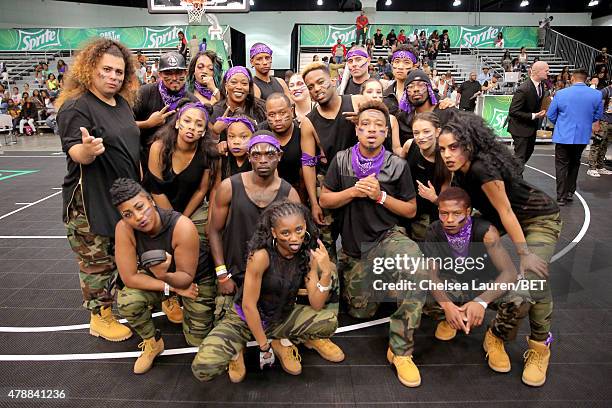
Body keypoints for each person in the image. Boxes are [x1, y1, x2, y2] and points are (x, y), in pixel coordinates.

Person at [438, 111, 561, 387]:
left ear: (469, 145)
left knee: (532, 284)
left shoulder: (482, 168)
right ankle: (460, 307)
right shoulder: (459, 171)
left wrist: (524, 254)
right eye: (443, 148)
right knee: (456, 246)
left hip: (537, 217)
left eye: (453, 147)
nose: (447, 154)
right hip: (500, 217)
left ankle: (527, 342)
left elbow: (506, 211)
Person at [319, 99, 426, 388]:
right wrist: (354, 191)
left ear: (385, 133)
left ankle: (401, 350)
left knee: (415, 267)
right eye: (365, 124)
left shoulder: (397, 165)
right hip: (354, 249)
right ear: (357, 130)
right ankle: (380, 280)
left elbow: (411, 210)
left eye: (379, 126)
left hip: (387, 238)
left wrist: (380, 196)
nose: (371, 130)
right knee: (358, 311)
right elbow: (325, 199)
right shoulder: (341, 160)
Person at [192, 200, 340, 383]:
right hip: (244, 319)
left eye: (299, 230)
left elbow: (317, 304)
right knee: (204, 368)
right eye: (285, 232)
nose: (294, 238)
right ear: (274, 233)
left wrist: (325, 272)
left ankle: (280, 340)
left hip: (280, 317)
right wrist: (264, 346)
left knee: (329, 322)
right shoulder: (260, 256)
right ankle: (238, 349)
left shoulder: (307, 254)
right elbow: (248, 305)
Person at [56, 38, 140, 342]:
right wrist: (89, 151)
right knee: (97, 261)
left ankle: (111, 307)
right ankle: (100, 317)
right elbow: (75, 151)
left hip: (121, 197)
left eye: (119, 72)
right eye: (106, 69)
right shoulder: (76, 107)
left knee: (118, 255)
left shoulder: (122, 104)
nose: (113, 76)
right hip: (88, 201)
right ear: (90, 68)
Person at [421, 187, 530, 375]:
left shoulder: (486, 232)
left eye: (456, 214)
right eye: (444, 213)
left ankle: (495, 336)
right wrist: (447, 306)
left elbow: (510, 273)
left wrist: (481, 302)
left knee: (524, 295)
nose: (449, 220)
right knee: (418, 289)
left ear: (468, 212)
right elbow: (432, 275)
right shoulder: (434, 231)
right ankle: (452, 318)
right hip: (455, 284)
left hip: (484, 284)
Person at [110, 178, 214, 374]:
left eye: (140, 206)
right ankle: (152, 342)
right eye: (128, 214)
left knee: (196, 340)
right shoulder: (124, 229)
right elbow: (129, 277)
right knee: (127, 300)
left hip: (195, 280)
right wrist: (168, 284)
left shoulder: (182, 226)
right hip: (165, 280)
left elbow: (185, 279)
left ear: (151, 200)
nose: (138, 217)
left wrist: (167, 277)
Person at [208, 133, 301, 322]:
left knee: (274, 325)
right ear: (249, 156)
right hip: (234, 274)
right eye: (256, 155)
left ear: (279, 156)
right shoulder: (229, 187)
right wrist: (222, 275)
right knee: (229, 332)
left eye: (269, 154)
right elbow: (213, 231)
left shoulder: (289, 194)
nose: (263, 160)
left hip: (271, 276)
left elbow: (296, 242)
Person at [299, 62, 367, 259]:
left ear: (333, 80)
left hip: (362, 181)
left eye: (320, 82)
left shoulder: (357, 102)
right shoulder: (308, 122)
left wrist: (364, 120)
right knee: (325, 244)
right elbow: (308, 164)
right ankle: (329, 286)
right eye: (310, 87)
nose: (316, 89)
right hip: (331, 184)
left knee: (360, 245)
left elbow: (384, 123)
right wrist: (314, 202)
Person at [145, 100, 216, 246]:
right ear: (177, 123)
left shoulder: (207, 155)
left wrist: (183, 219)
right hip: (158, 204)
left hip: (189, 207)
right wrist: (173, 222)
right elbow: (156, 189)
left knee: (193, 239)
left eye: (199, 124)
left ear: (203, 132)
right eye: (187, 121)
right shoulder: (158, 148)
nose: (191, 127)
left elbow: (201, 190)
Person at [547, 68, 604, 205]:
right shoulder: (596, 95)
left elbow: (550, 114)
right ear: (586, 79)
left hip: (563, 135)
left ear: (572, 78)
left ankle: (560, 196)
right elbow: (597, 115)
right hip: (582, 136)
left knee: (561, 166)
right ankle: (569, 192)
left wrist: (561, 124)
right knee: (574, 163)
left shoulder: (561, 94)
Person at [134, 51, 197, 165]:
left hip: (179, 164)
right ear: (160, 74)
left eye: (178, 72)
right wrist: (148, 123)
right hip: (145, 162)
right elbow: (124, 126)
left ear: (186, 73)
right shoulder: (144, 93)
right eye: (168, 73)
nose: (174, 77)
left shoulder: (193, 101)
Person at [401, 112, 451, 241]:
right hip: (407, 205)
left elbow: (445, 203)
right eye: (416, 133)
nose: (421, 137)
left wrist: (433, 197)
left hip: (431, 212)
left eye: (426, 131)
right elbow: (398, 170)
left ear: (437, 132)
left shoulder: (446, 158)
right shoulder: (409, 145)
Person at [394, 69, 456, 147]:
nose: (416, 89)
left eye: (421, 85)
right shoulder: (403, 118)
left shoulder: (447, 113)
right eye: (410, 86)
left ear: (429, 89)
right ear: (406, 93)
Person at [507, 61, 550, 172]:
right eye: (546, 70)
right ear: (536, 71)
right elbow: (513, 111)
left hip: (531, 128)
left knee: (526, 154)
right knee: (520, 157)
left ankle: (510, 174)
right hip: (520, 128)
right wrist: (534, 115)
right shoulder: (523, 89)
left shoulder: (541, 86)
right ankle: (515, 182)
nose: (548, 72)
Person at [259, 93, 303, 193]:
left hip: (298, 191)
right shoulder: (260, 135)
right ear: (266, 115)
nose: (277, 118)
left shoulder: (302, 133)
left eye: (282, 113)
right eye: (272, 115)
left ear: (292, 111)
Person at [210, 66, 267, 140]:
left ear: (249, 88)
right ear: (226, 86)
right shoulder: (215, 112)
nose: (239, 87)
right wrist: (215, 132)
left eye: (244, 83)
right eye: (234, 82)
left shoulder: (260, 109)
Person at [360, 78, 399, 154]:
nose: (375, 95)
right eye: (369, 92)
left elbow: (396, 148)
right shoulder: (355, 117)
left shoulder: (391, 119)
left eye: (378, 92)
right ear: (361, 94)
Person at [216, 115, 256, 181]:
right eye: (231, 136)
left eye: (243, 137)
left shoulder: (259, 159)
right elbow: (216, 189)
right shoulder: (223, 156)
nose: (236, 142)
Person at [382, 45, 419, 115]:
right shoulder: (384, 95)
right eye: (397, 61)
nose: (400, 67)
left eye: (406, 62)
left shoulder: (423, 94)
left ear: (414, 66)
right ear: (392, 65)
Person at [587, 83, 612, 177]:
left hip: (610, 122)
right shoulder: (605, 91)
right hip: (603, 121)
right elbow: (595, 105)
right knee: (597, 143)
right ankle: (592, 167)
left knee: (605, 144)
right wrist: (596, 121)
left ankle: (600, 166)